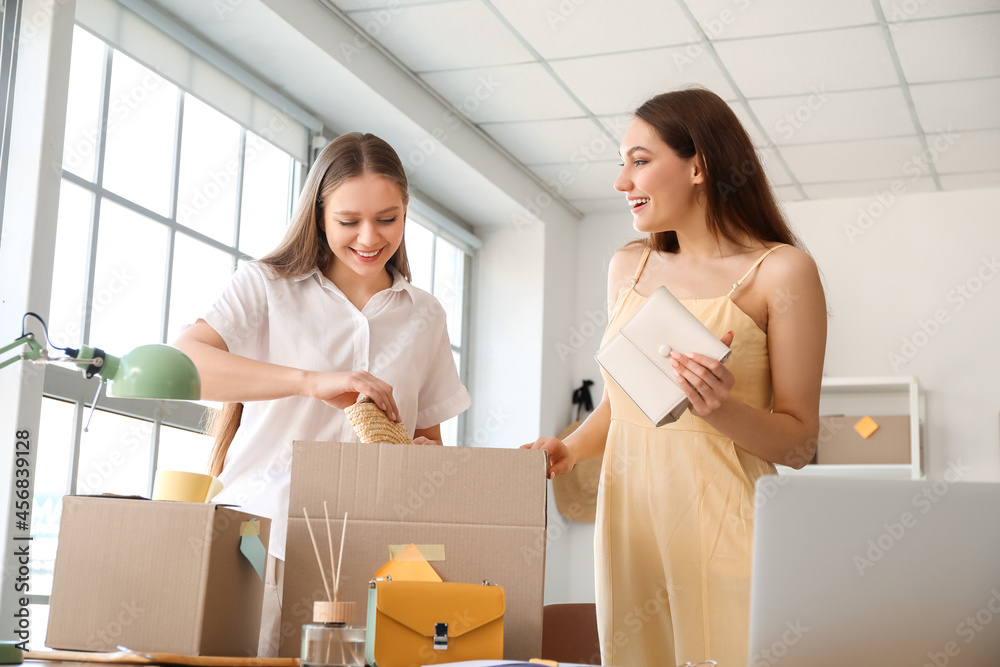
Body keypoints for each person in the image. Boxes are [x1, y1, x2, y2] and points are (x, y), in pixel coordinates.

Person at [522, 89, 827, 666]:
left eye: (639, 160)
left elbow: (802, 443)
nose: (620, 182)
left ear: (698, 165)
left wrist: (721, 408)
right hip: (631, 530)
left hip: (727, 530)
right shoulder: (626, 266)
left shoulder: (781, 271)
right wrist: (570, 447)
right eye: (622, 162)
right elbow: (621, 406)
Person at [173, 132, 470, 655]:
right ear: (318, 214)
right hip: (260, 542)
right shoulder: (267, 286)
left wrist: (424, 459)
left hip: (372, 550)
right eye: (348, 221)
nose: (369, 238)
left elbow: (428, 439)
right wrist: (312, 382)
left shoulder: (424, 315)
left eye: (387, 218)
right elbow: (186, 363)